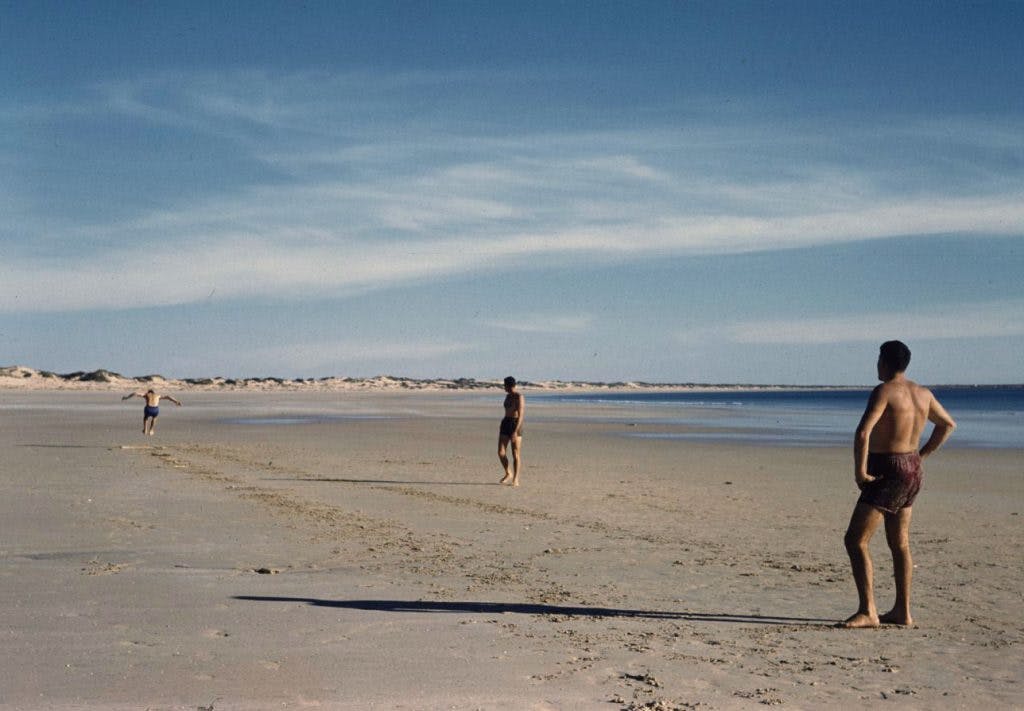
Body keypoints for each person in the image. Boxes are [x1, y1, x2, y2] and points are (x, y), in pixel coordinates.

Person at [841, 341, 956, 628]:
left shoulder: (885, 391)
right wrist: (922, 455)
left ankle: (868, 610)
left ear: (885, 362)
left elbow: (863, 433)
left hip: (888, 469)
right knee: (899, 543)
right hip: (912, 468)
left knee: (856, 540)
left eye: (878, 359)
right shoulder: (923, 393)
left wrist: (860, 473)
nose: (876, 364)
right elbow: (947, 424)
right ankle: (902, 612)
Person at [498, 376, 525, 486]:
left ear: (509, 385)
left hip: (515, 424)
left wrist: (515, 431)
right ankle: (508, 472)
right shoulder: (507, 396)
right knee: (501, 452)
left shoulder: (519, 397)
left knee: (515, 453)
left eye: (505, 385)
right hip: (506, 423)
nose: (504, 387)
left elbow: (521, 415)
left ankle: (516, 478)